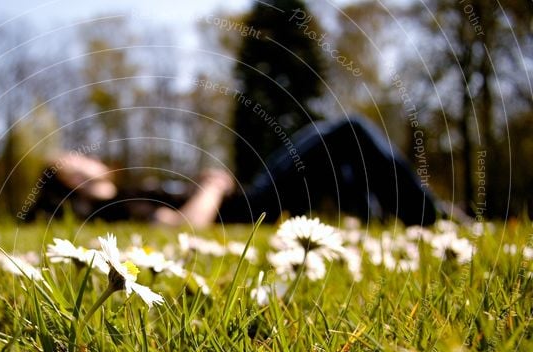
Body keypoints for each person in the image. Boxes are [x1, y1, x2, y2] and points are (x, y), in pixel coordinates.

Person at [25, 116, 454, 227]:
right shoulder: (113, 208)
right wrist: (211, 188)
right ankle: (429, 216)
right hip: (254, 206)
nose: (88, 157)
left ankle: (387, 219)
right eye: (75, 158)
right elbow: (176, 227)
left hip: (254, 201)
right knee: (346, 132)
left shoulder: (115, 201)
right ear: (69, 179)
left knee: (338, 160)